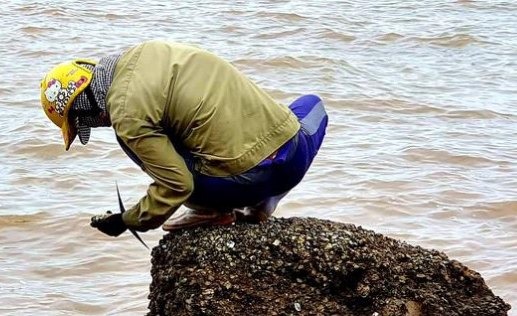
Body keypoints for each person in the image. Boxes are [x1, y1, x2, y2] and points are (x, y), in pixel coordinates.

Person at [40, 40, 327, 237]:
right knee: (313, 105)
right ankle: (267, 201)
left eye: (81, 120)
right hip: (296, 154)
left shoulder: (127, 117)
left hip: (249, 180)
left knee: (141, 146)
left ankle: (212, 211)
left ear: (84, 103)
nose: (93, 125)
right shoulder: (148, 52)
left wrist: (127, 220)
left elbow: (177, 184)